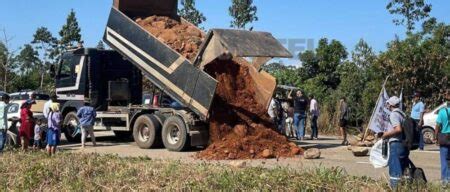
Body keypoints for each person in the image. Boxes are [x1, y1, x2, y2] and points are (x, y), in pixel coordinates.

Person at [379, 96, 412, 189]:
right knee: (404, 169)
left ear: (391, 104)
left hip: (396, 144)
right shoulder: (403, 114)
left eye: (388, 103)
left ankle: (395, 188)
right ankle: (406, 188)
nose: (387, 105)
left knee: (395, 170)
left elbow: (398, 129)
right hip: (404, 144)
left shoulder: (394, 114)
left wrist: (385, 135)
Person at [435, 89, 450, 186]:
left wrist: (436, 138)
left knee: (444, 160)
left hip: (445, 138)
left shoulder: (442, 111)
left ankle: (445, 181)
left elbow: (437, 127)